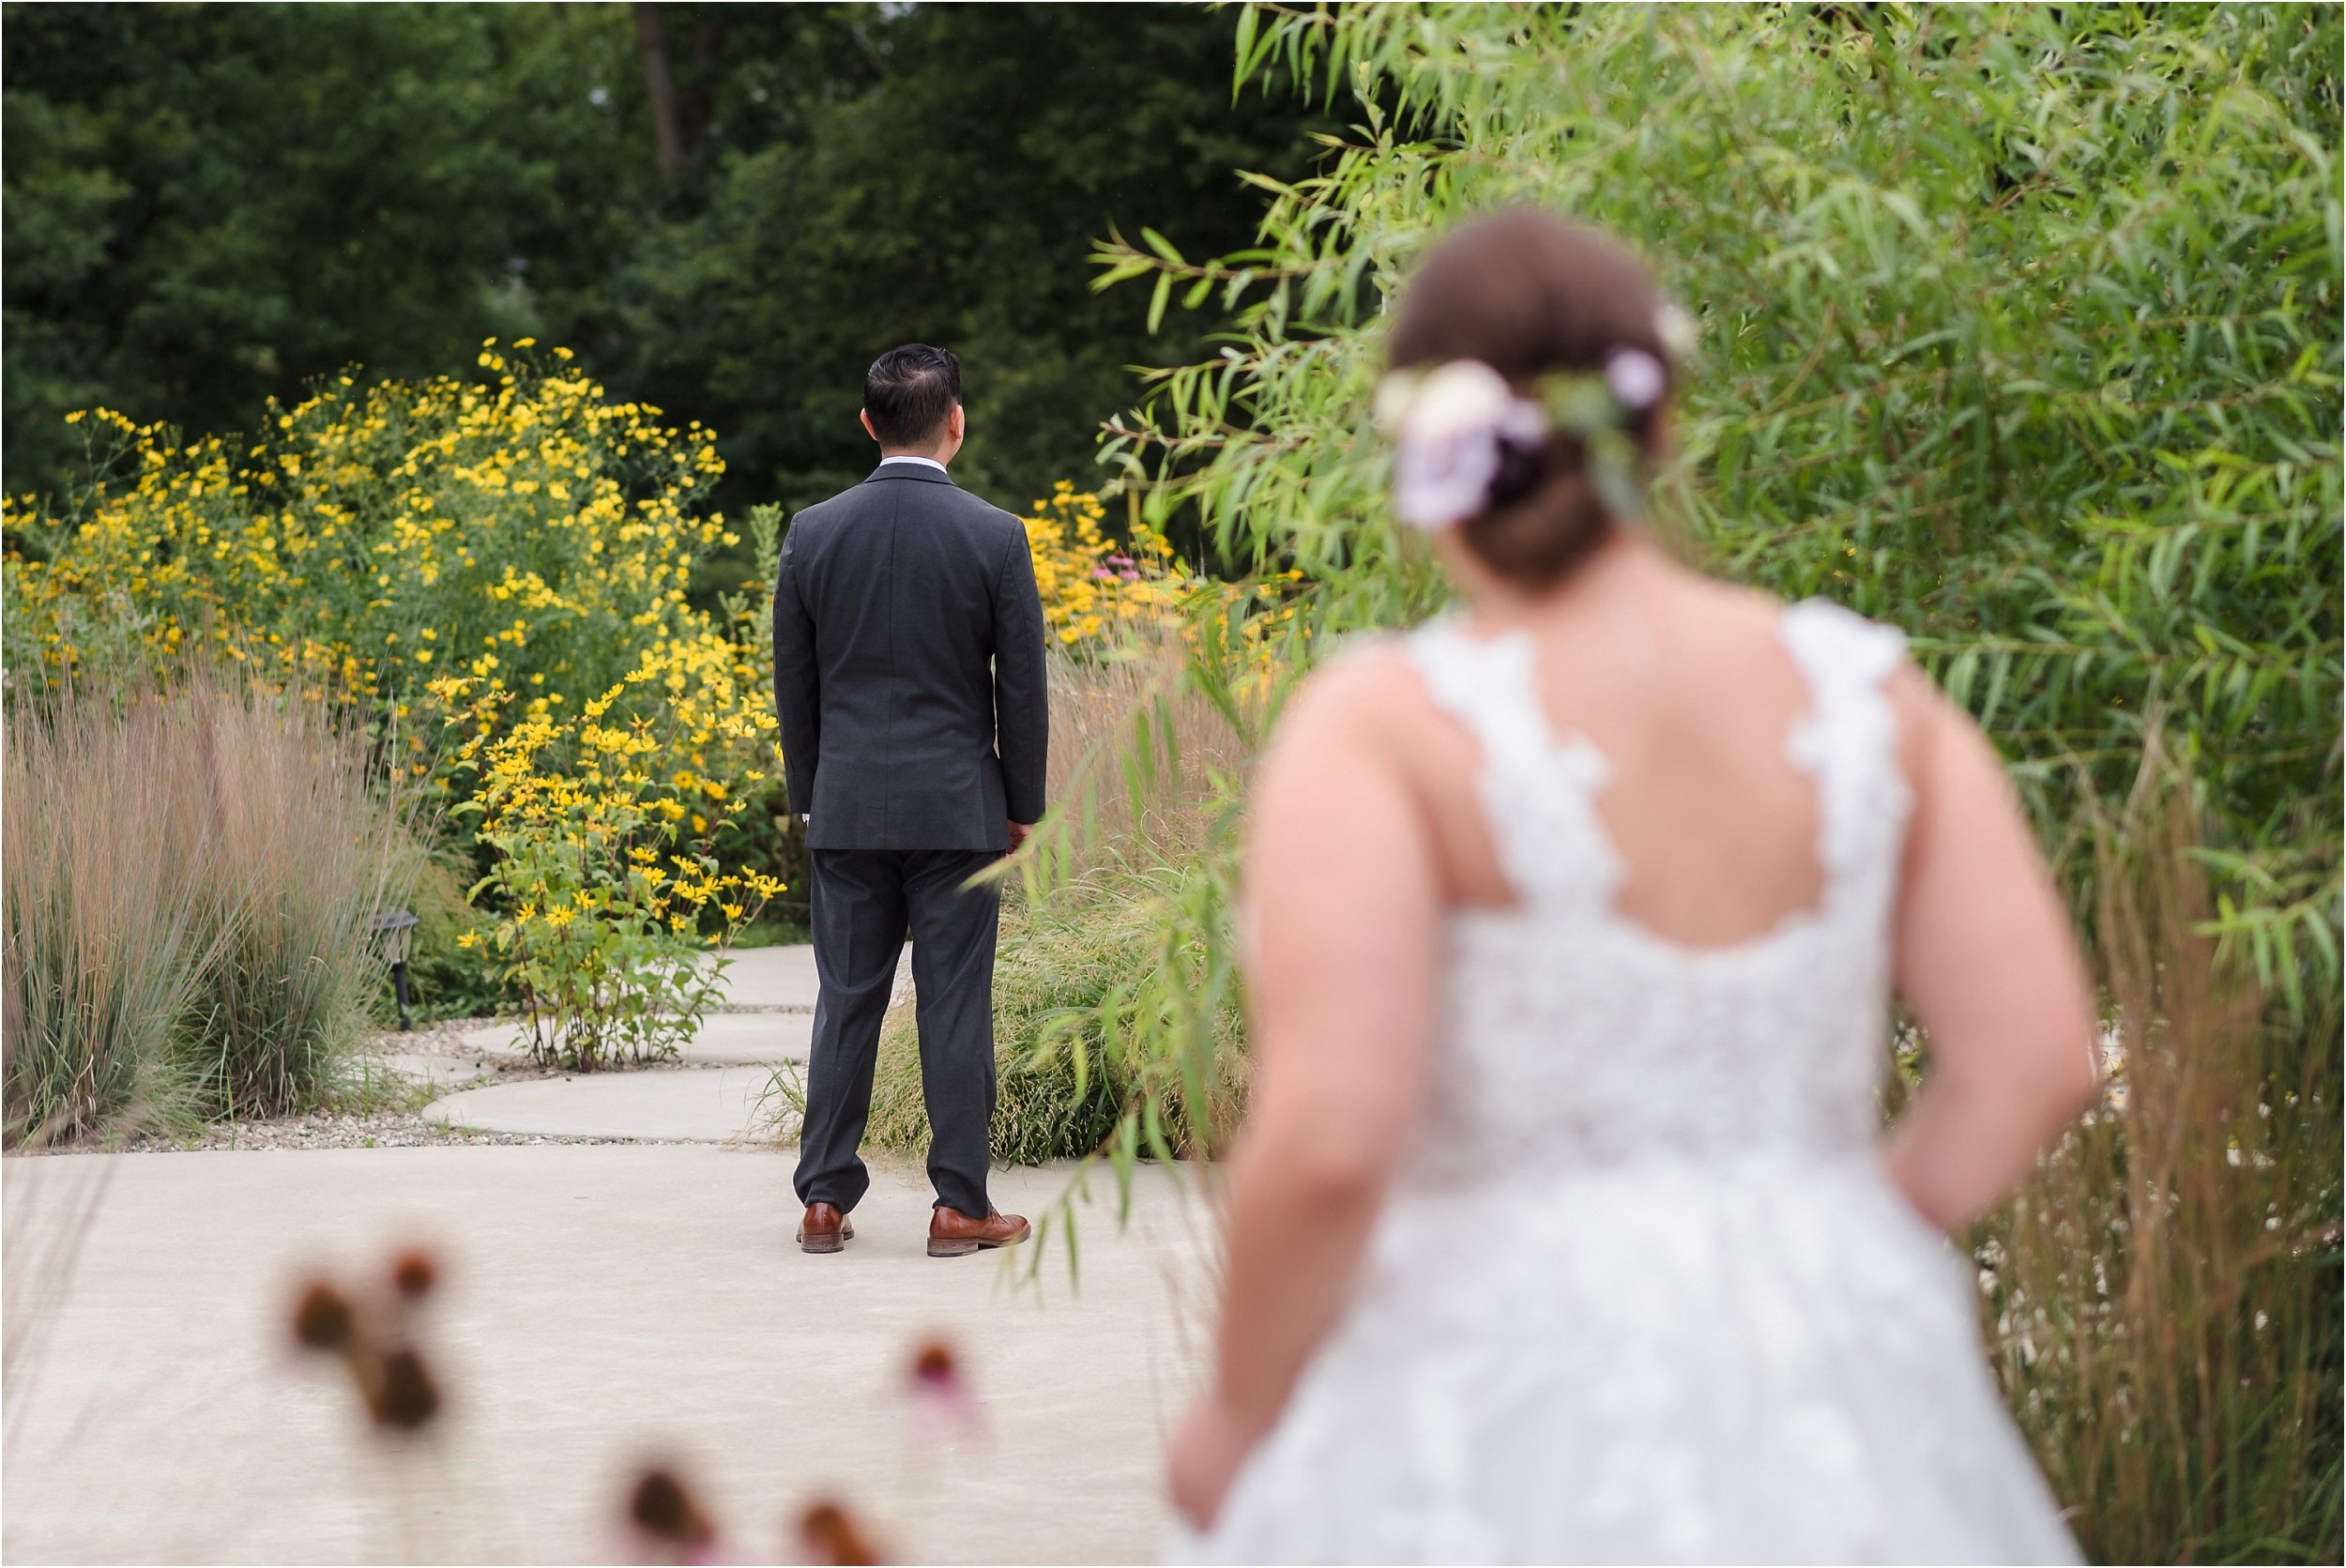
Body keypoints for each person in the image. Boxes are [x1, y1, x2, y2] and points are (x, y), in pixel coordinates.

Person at [1166, 213, 2099, 1561]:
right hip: (1832, 1372)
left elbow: (1330, 1142)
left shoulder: (1385, 726)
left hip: (1496, 1380)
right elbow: (2036, 1056)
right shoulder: (1871, 698)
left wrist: (1239, 1410)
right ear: (1660, 433)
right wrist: (1839, 1226)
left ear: (1422, 448)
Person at [772, 343, 1045, 1258]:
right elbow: (1023, 690)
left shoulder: (813, 532)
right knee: (954, 1004)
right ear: (955, 423)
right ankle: (958, 1206)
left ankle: (822, 1198)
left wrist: (810, 797)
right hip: (959, 811)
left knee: (845, 998)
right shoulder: (995, 535)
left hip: (847, 808)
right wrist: (1024, 802)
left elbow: (794, 684)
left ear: (866, 425)